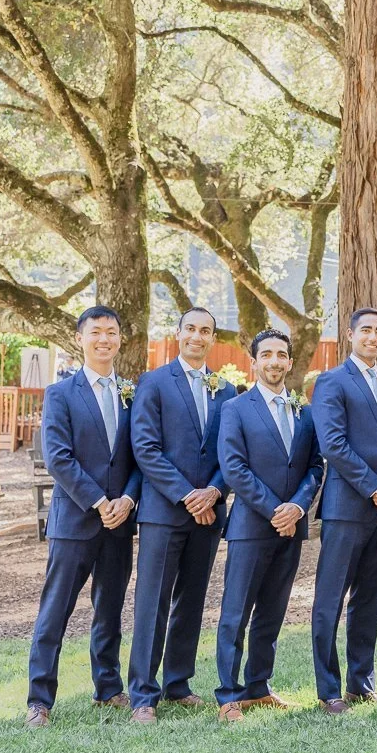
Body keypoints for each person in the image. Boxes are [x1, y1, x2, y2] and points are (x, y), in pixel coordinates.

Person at [24, 306, 141, 728]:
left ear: (120, 339)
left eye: (112, 332)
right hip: (75, 522)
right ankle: (39, 700)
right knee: (55, 611)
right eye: (96, 332)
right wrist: (98, 501)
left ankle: (107, 688)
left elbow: (139, 457)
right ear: (81, 338)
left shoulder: (132, 393)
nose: (104, 339)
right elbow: (58, 458)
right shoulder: (61, 393)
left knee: (109, 609)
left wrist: (126, 500)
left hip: (119, 523)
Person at [126, 307, 238, 723]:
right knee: (152, 603)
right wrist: (187, 495)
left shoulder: (226, 390)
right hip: (163, 512)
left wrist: (213, 491)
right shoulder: (153, 383)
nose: (197, 336)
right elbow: (146, 448)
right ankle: (142, 695)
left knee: (191, 601)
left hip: (209, 513)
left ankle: (178, 683)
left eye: (205, 331)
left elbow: (231, 452)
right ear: (178, 334)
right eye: (190, 328)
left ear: (213, 339)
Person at [214, 329, 323, 723]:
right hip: (251, 526)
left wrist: (297, 507)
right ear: (254, 362)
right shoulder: (236, 408)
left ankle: (257, 687)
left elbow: (314, 466)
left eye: (282, 355)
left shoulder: (304, 412)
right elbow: (234, 467)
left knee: (272, 612)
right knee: (235, 612)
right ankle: (228, 694)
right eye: (268, 355)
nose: (275, 361)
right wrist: (276, 508)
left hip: (291, 528)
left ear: (290, 362)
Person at [310, 307, 377, 711]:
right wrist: (376, 489)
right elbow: (332, 444)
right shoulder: (332, 382)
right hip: (347, 507)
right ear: (350, 335)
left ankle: (361, 682)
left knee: (370, 598)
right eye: (366, 330)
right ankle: (329, 690)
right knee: (329, 601)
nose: (373, 337)